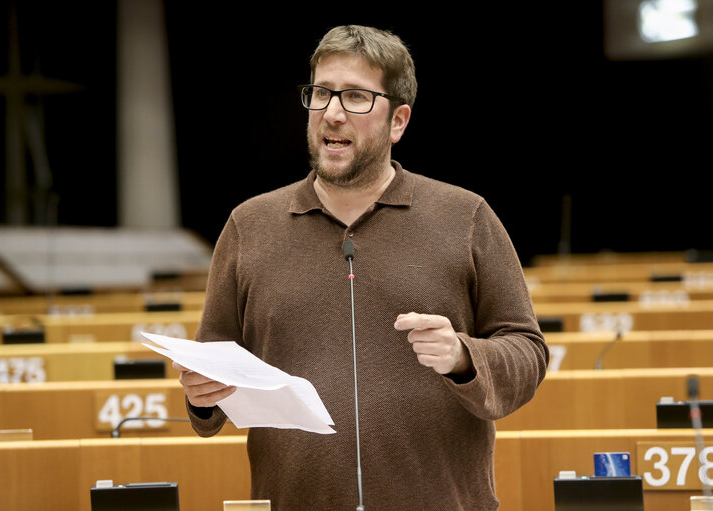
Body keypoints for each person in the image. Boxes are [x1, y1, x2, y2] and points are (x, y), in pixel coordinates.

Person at [174, 25, 548, 510]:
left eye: (354, 97)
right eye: (321, 94)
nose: (331, 112)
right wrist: (202, 395)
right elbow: (212, 371)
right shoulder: (249, 226)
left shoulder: (467, 217)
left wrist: (462, 357)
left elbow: (528, 353)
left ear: (398, 121)